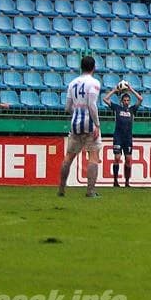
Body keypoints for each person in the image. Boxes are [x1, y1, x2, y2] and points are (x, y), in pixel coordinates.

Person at [58, 56, 103, 198]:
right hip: (89, 123)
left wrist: (76, 114)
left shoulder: (72, 83)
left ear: (81, 67)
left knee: (69, 156)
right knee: (93, 156)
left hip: (75, 123)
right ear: (93, 67)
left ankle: (61, 188)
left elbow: (67, 108)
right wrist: (97, 124)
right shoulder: (94, 83)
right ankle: (90, 191)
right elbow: (92, 105)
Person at [104, 83, 143, 187]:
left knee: (128, 159)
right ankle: (115, 181)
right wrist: (114, 90)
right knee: (117, 157)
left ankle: (127, 182)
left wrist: (131, 89)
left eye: (127, 100)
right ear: (121, 101)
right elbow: (105, 99)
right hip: (118, 137)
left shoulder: (132, 110)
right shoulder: (117, 108)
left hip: (128, 138)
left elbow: (140, 99)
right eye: (124, 100)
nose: (126, 102)